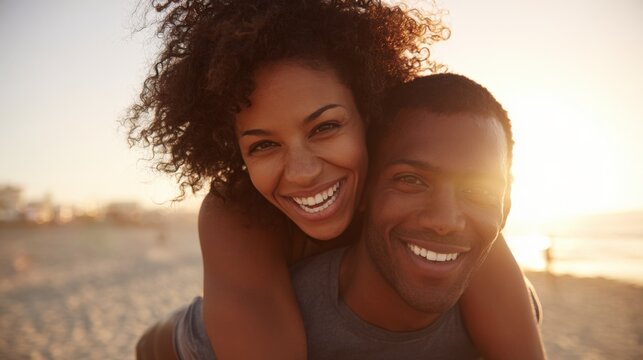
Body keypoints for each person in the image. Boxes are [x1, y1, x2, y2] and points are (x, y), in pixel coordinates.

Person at [128, 1, 544, 359]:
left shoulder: (437, 203)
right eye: (263, 146)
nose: (303, 172)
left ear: (368, 114)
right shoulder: (236, 215)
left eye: (324, 127)